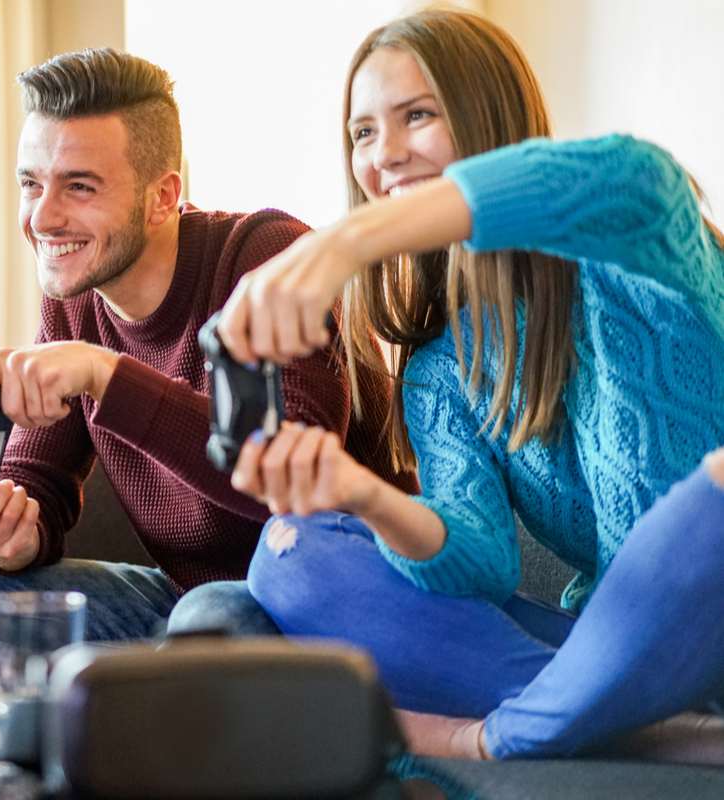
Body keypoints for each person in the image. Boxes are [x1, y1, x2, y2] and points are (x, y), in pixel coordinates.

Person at [215, 9, 724, 761]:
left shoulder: (636, 249)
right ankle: (637, 726)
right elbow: (482, 561)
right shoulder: (442, 367)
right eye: (361, 132)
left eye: (416, 115)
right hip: (610, 650)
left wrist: (345, 241)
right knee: (293, 553)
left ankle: (508, 733)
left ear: (491, 121)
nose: (382, 155)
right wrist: (361, 494)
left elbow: (631, 174)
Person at [0, 48, 415, 675]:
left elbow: (287, 484)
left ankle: (131, 698)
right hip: (180, 610)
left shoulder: (264, 257)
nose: (43, 217)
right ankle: (86, 715)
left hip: (323, 602)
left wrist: (105, 374)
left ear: (162, 196)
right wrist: (15, 531)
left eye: (79, 186)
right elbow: (40, 480)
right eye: (30, 183)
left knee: (211, 621)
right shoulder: (77, 300)